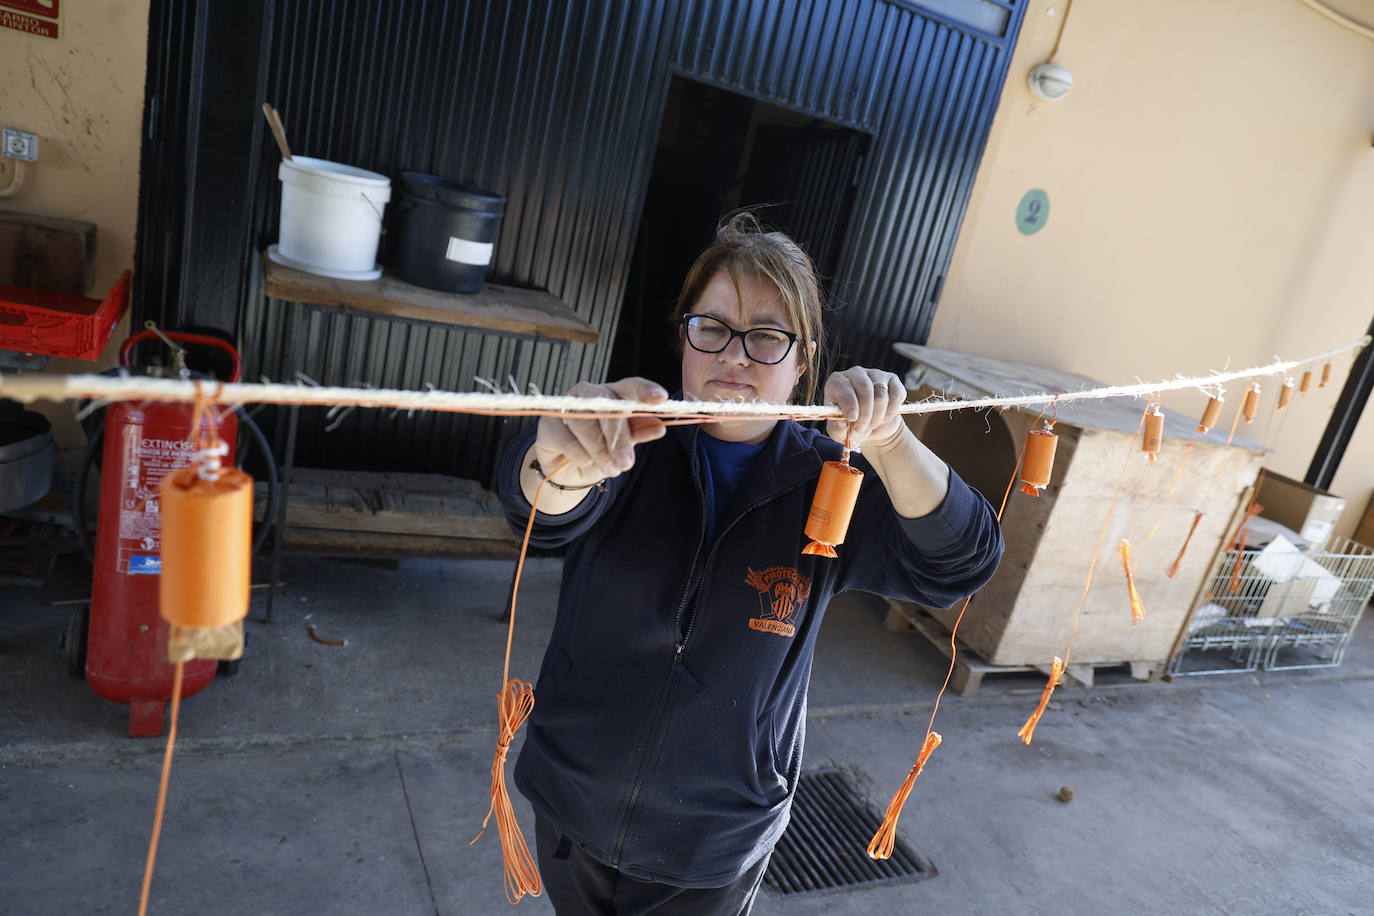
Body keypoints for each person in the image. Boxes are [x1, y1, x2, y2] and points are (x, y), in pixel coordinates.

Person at [498, 213, 1003, 915]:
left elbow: (964, 562)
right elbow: (537, 507)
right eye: (712, 327)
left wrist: (890, 441)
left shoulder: (835, 481)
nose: (734, 354)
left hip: (714, 845)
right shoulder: (627, 440)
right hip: (570, 805)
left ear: (803, 363)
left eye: (766, 335)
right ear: (685, 340)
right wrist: (558, 458)